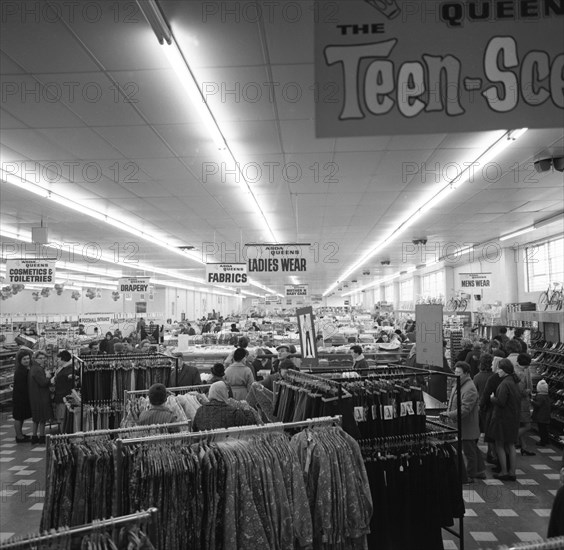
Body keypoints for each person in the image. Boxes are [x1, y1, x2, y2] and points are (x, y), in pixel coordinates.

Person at [442, 361, 485, 483]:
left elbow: (465, 409)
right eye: (455, 372)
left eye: (459, 372)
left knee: (469, 451)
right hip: (460, 424)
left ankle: (471, 475)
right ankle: (480, 470)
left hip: (467, 426)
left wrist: (449, 414)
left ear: (466, 373)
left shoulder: (470, 388)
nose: (456, 374)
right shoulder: (459, 383)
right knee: (472, 448)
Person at [489, 359, 522, 481]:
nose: (497, 371)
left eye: (499, 369)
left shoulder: (504, 384)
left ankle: (504, 471)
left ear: (504, 370)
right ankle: (512, 472)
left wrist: (492, 398)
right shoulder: (514, 382)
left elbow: (501, 402)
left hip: (502, 418)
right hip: (512, 417)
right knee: (511, 445)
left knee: (499, 444)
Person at [192, 381, 258, 431]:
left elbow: (194, 430)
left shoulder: (200, 411)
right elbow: (250, 423)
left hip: (205, 447)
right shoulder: (233, 412)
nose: (227, 393)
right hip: (227, 447)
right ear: (223, 393)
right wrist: (246, 409)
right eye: (226, 391)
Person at [28, 350, 53, 444]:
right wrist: (49, 377)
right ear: (35, 359)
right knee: (42, 419)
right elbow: (43, 383)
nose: (43, 360)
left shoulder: (34, 367)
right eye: (40, 358)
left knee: (36, 419)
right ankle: (42, 437)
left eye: (44, 358)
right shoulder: (37, 369)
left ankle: (35, 437)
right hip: (41, 397)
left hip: (35, 396)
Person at [12, 349, 33, 443]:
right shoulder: (21, 371)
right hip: (20, 397)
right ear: (20, 360)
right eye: (24, 359)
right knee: (18, 417)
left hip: (22, 397)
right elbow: (22, 387)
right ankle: (19, 437)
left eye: (28, 358)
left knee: (21, 416)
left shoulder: (24, 369)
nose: (27, 360)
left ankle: (20, 434)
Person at [52, 350, 74, 432]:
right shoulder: (63, 368)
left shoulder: (69, 369)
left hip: (63, 396)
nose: (57, 361)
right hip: (61, 396)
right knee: (61, 417)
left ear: (63, 359)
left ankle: (63, 435)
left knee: (62, 417)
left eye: (58, 359)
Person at [532, 379, 551, 447]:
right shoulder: (546, 396)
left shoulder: (540, 396)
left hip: (540, 415)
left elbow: (538, 405)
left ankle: (542, 442)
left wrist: (531, 401)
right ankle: (546, 440)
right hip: (546, 415)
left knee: (541, 429)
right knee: (545, 429)